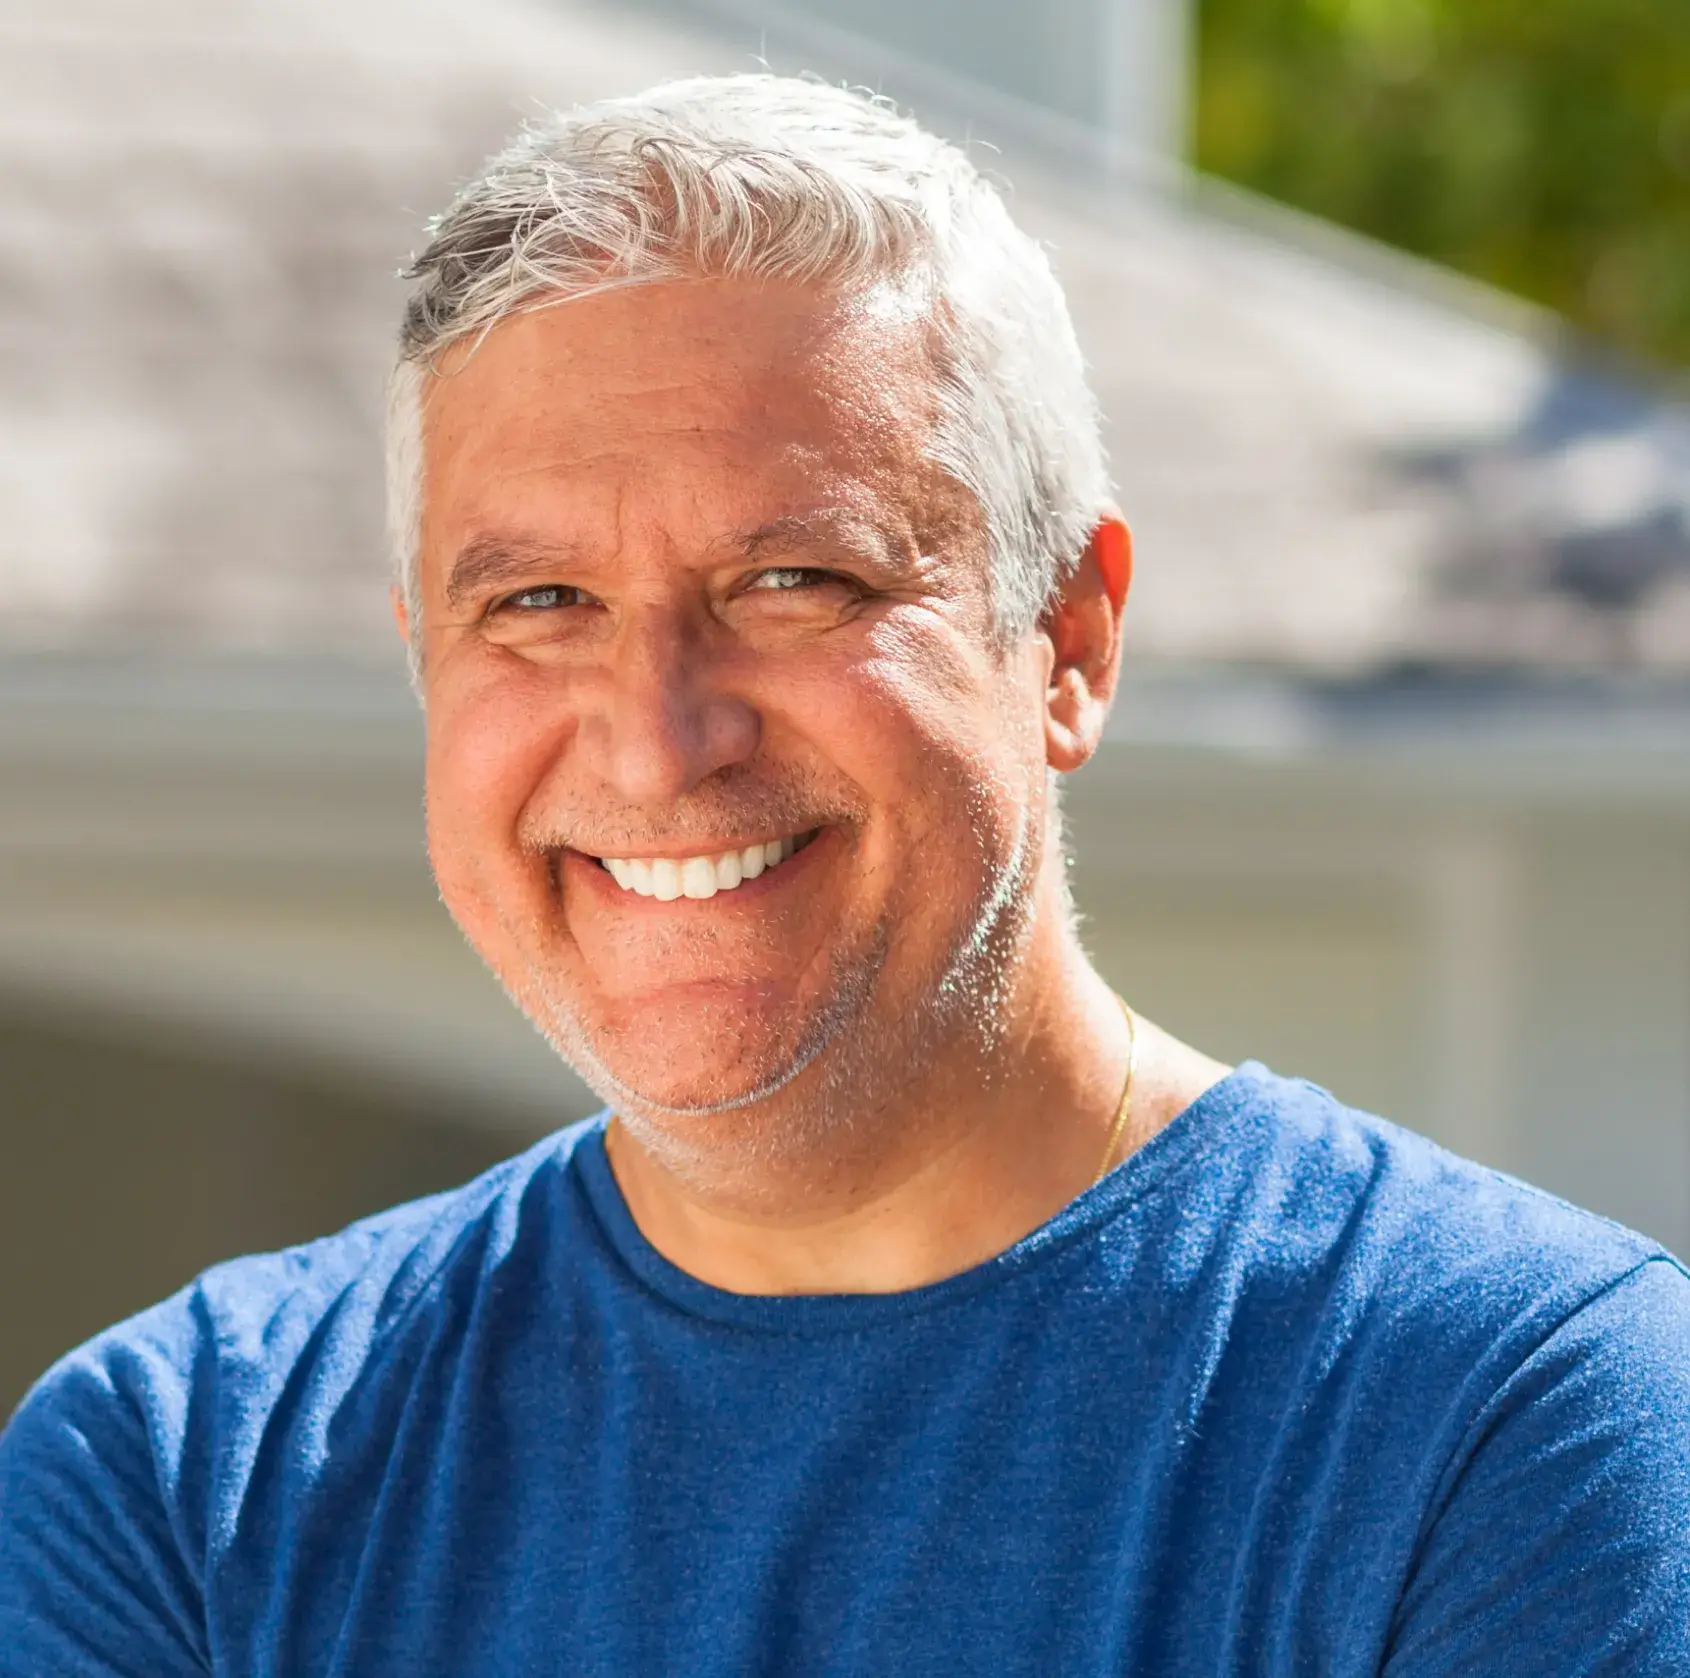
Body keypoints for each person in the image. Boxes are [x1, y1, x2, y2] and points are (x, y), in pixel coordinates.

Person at [3, 73, 1688, 1676]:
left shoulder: (1512, 1422)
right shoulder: (184, 1481)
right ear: (423, 664)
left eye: (793, 577)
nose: (655, 743)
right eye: (537, 606)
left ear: (1068, 640)